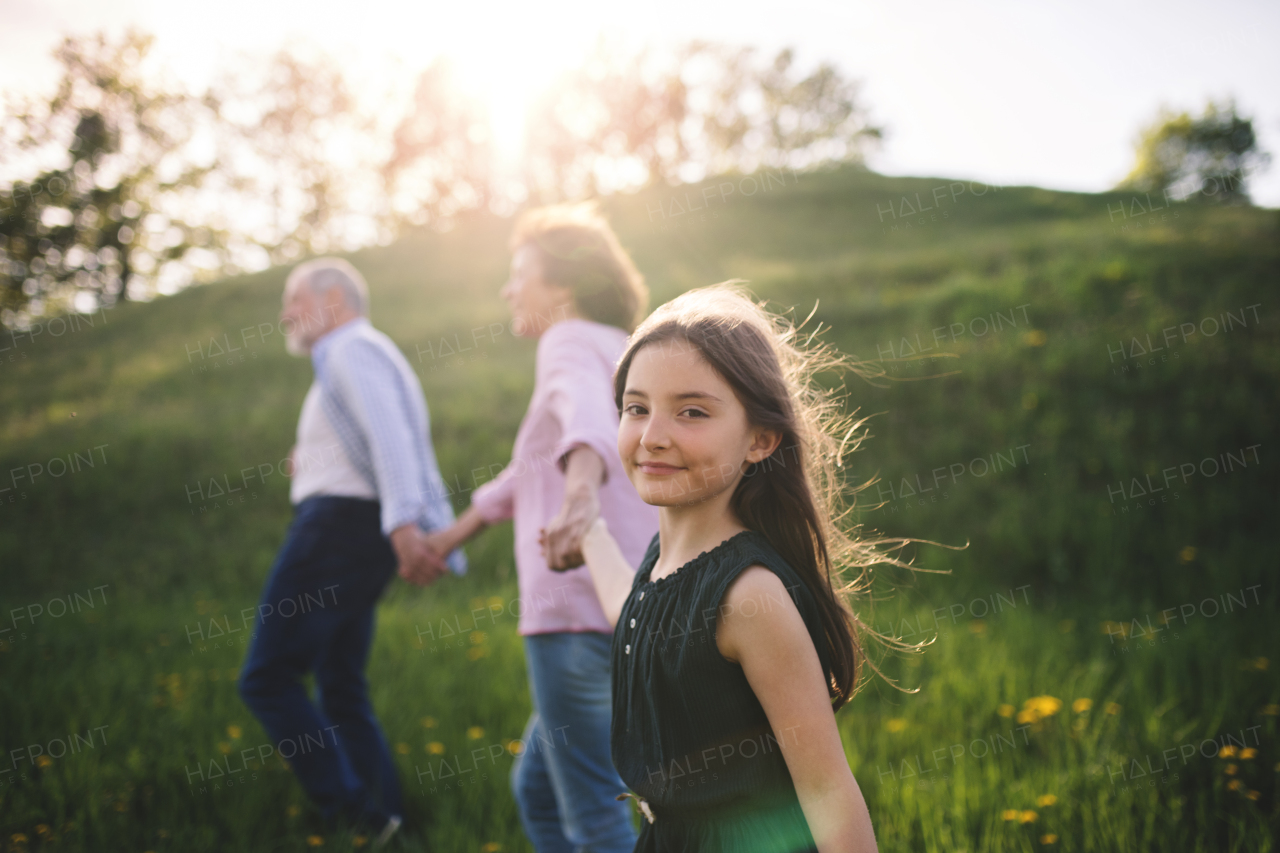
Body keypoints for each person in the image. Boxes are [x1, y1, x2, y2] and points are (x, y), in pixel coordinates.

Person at [575, 284, 882, 852]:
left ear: (760, 440)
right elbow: (641, 613)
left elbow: (827, 790)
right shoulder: (664, 557)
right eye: (636, 408)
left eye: (692, 412)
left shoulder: (748, 596)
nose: (653, 436)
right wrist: (590, 536)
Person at [423, 204, 658, 853]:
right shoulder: (628, 348)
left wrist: (580, 495)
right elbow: (527, 470)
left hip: (575, 607)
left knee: (596, 815)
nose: (507, 289)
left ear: (562, 286)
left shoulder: (567, 339)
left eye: (518, 272)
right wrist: (452, 535)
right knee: (541, 791)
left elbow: (584, 417)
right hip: (635, 605)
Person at [238, 257, 464, 846]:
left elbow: (389, 438)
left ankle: (355, 815)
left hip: (337, 529)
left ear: (332, 298)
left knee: (266, 677)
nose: (285, 314)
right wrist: (306, 461)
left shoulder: (350, 348)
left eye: (293, 299)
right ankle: (389, 821)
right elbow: (364, 440)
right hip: (350, 526)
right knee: (340, 681)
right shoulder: (347, 355)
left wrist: (401, 526)